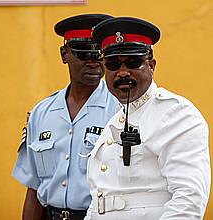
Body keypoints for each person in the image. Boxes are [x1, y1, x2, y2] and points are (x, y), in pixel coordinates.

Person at [85, 17, 211, 219]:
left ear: (151, 65)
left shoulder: (175, 114)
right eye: (113, 64)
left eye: (134, 63)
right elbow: (99, 199)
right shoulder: (114, 120)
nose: (123, 72)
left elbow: (188, 200)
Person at [11, 14, 118, 220]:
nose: (94, 62)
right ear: (64, 54)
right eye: (83, 54)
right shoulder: (41, 113)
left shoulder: (120, 111)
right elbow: (34, 188)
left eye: (100, 55)